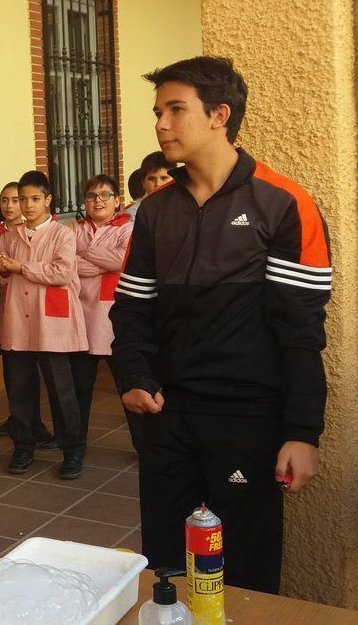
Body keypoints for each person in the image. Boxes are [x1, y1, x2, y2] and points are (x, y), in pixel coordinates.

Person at [110, 57, 331, 594]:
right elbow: (132, 308)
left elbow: (301, 331)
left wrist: (303, 432)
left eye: (175, 110)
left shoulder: (285, 204)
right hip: (167, 416)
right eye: (158, 111)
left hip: (247, 421)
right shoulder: (156, 211)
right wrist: (134, 374)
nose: (160, 123)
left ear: (219, 116)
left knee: (245, 576)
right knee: (166, 567)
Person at [0, 170, 88, 480]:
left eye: (35, 199)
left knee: (61, 389)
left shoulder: (63, 234)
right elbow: (1, 272)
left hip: (52, 322)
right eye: (23, 199)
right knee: (20, 389)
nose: (28, 205)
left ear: (48, 200)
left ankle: (72, 450)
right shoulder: (11, 235)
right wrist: (4, 269)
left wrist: (19, 267)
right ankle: (23, 446)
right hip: (19, 320)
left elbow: (61, 273)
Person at [0, 183, 55, 447]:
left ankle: (35, 422)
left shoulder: (33, 233)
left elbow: (40, 269)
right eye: (4, 200)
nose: (10, 206)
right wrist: (14, 275)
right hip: (5, 309)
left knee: (34, 367)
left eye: (15, 200)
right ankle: (19, 418)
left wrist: (16, 271)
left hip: (34, 308)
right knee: (12, 366)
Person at [71, 174, 135, 453]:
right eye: (91, 196)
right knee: (78, 392)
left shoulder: (128, 227)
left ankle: (144, 445)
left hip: (113, 321)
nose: (98, 201)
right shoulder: (72, 230)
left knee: (129, 389)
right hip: (80, 321)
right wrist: (102, 263)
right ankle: (75, 448)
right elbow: (66, 265)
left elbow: (123, 260)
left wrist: (85, 253)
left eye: (105, 195)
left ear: (117, 201)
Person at [122, 151, 175, 219]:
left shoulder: (185, 209)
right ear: (143, 183)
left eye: (164, 178)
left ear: (174, 180)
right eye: (151, 179)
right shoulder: (134, 215)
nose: (157, 184)